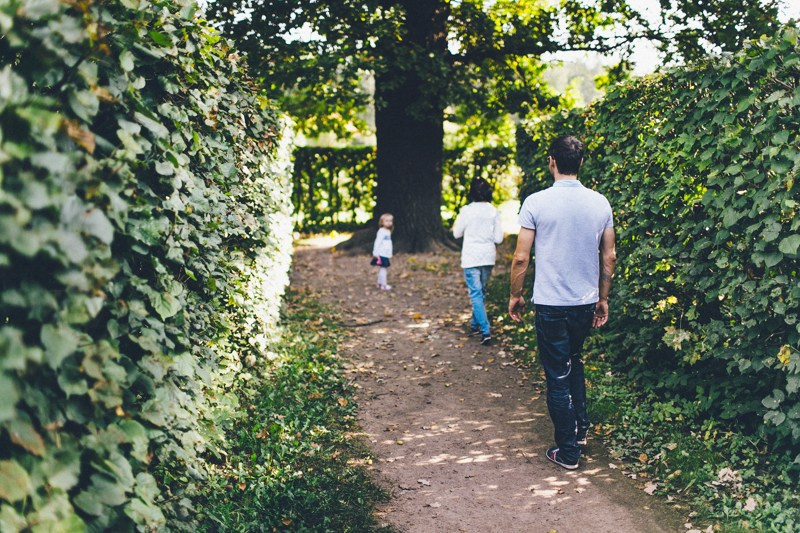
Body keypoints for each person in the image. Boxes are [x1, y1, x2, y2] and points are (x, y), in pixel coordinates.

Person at [508, 135, 617, 470]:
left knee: (557, 374)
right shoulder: (600, 203)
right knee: (574, 361)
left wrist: (515, 294)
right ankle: (580, 430)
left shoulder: (536, 202)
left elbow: (521, 258)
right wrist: (602, 298)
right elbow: (609, 255)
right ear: (580, 162)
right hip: (584, 303)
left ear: (551, 160)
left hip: (551, 304)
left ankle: (568, 451)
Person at [453, 178, 504, 346]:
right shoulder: (492, 211)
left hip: (470, 256)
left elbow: (456, 233)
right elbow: (499, 237)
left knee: (475, 294)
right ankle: (474, 325)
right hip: (488, 255)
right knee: (481, 292)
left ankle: (485, 329)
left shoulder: (466, 211)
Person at [372, 213, 394, 290]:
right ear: (382, 222)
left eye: (390, 221)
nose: (389, 222)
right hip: (381, 253)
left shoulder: (388, 231)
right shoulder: (381, 231)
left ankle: (380, 283)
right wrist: (375, 252)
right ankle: (383, 284)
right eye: (386, 221)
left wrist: (389, 253)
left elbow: (388, 244)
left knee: (383, 268)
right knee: (383, 269)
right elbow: (377, 242)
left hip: (385, 253)